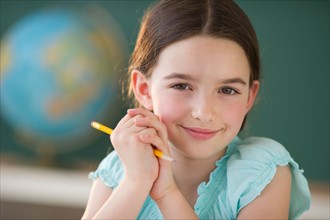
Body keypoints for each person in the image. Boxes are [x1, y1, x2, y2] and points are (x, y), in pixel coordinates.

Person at [82, 0, 310, 219]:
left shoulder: (264, 172)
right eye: (181, 86)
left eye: (228, 90)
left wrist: (166, 194)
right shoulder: (117, 171)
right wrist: (135, 182)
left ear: (250, 95)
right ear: (144, 89)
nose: (204, 112)